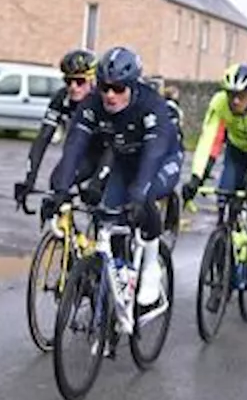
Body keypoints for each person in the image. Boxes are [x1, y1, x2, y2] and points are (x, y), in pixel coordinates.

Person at [41, 46, 181, 332]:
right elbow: (74, 149)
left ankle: (152, 268)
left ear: (131, 86)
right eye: (105, 87)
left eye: (118, 88)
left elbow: (153, 154)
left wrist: (140, 194)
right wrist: (59, 191)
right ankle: (120, 282)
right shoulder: (92, 104)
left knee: (143, 197)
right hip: (124, 160)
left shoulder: (150, 105)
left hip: (160, 158)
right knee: (107, 217)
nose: (110, 95)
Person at [181, 65, 247, 251]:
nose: (235, 101)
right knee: (225, 194)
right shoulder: (219, 102)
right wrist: (196, 176)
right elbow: (207, 140)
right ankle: (223, 243)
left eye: (241, 95)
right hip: (237, 150)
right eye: (231, 94)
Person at [13, 48, 97, 208]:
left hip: (107, 154)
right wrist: (29, 179)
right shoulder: (61, 98)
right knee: (57, 184)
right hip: (80, 154)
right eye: (68, 81)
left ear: (92, 81)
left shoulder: (102, 100)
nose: (73, 87)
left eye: (80, 81)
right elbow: (43, 138)